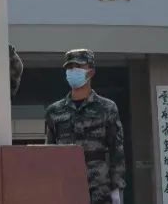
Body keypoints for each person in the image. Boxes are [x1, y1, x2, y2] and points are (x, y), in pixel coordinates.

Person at [44, 49, 126, 204]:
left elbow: (117, 149)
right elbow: (49, 152)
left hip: (99, 187)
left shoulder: (107, 108)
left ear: (91, 72)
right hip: (66, 185)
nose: (72, 71)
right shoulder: (54, 111)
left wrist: (117, 187)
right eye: (69, 67)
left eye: (78, 66)